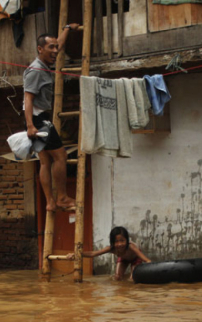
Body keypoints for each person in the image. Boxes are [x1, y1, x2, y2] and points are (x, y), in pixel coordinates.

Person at [24, 24, 80, 212]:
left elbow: (60, 45)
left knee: (45, 161)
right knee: (61, 155)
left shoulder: (45, 64)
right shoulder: (36, 70)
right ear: (40, 49)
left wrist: (66, 29)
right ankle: (62, 197)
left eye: (56, 47)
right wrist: (30, 125)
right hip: (38, 119)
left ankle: (50, 202)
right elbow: (27, 98)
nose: (55, 51)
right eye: (51, 47)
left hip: (39, 117)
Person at [69, 227, 151, 281]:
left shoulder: (131, 247)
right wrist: (77, 254)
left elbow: (146, 259)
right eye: (116, 241)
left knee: (132, 279)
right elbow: (93, 253)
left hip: (135, 259)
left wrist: (151, 267)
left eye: (122, 241)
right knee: (117, 278)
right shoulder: (112, 248)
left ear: (127, 240)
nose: (119, 244)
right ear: (112, 242)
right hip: (123, 259)